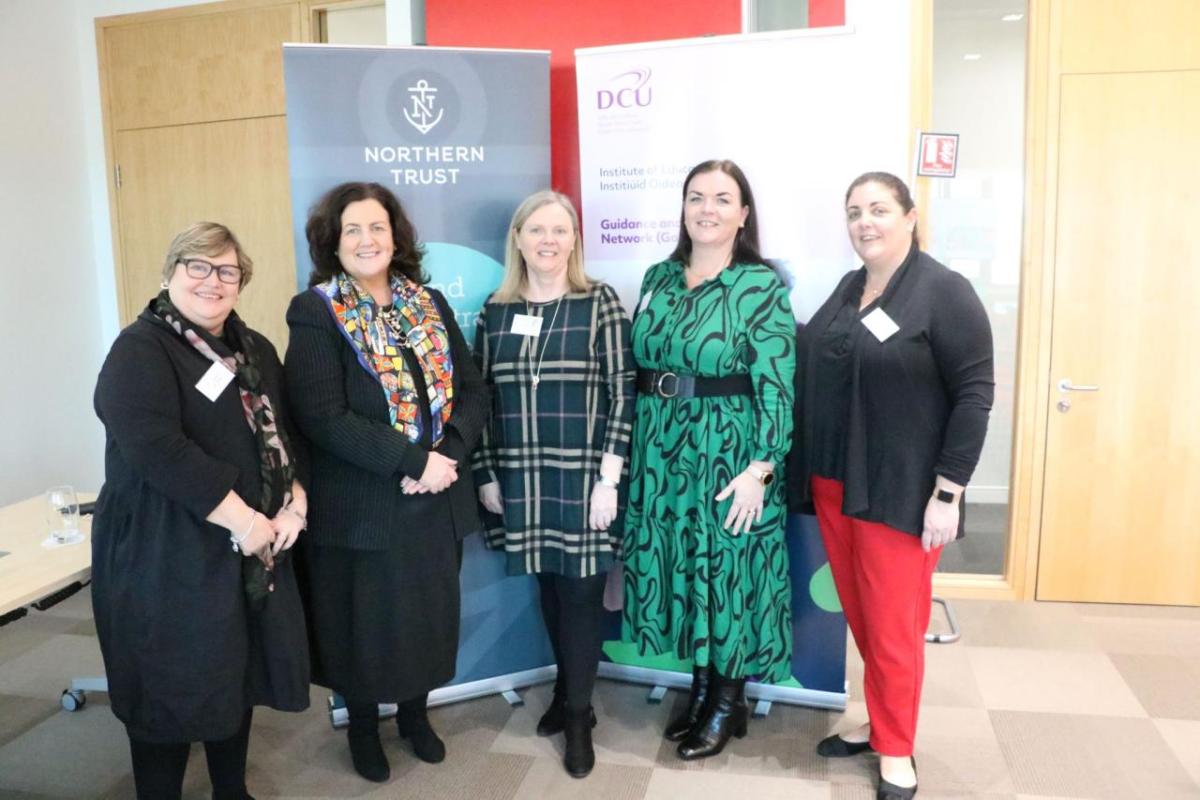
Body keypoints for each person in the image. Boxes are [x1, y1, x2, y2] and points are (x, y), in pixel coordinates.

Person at [786, 171, 993, 800]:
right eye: (854, 212)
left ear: (909, 216)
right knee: (865, 618)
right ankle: (878, 721)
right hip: (836, 485)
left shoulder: (944, 292)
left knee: (897, 626)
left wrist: (949, 491)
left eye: (878, 209)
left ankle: (897, 749)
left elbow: (975, 396)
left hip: (901, 491)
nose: (864, 223)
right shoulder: (852, 287)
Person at [92, 222, 310, 800]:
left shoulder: (255, 348)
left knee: (231, 674)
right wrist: (244, 520)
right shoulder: (140, 349)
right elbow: (157, 450)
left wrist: (295, 507)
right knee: (165, 686)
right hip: (162, 552)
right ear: (170, 273)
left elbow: (285, 439)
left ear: (241, 283)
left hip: (245, 548)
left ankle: (230, 791)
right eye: (198, 266)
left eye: (228, 271)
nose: (213, 281)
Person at [285, 181, 489, 783]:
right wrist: (410, 461)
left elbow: (473, 389)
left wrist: (445, 455)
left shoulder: (426, 303)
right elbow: (320, 414)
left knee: (426, 617)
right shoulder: (317, 309)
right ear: (333, 241)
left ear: (395, 235)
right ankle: (365, 728)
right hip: (367, 501)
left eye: (377, 227)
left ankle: (416, 717)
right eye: (352, 229)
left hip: (436, 494)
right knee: (365, 625)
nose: (367, 239)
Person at [623, 159, 796, 760]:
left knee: (727, 574)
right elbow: (639, 361)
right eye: (697, 197)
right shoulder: (658, 276)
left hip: (728, 452)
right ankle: (702, 690)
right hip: (662, 450)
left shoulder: (760, 286)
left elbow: (777, 384)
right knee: (686, 568)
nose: (708, 208)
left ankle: (728, 701)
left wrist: (761, 467)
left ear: (743, 214)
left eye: (723, 199)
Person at [473, 190, 634, 778]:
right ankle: (571, 689)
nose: (549, 240)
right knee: (548, 586)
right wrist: (486, 473)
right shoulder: (496, 311)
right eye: (536, 230)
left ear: (574, 240)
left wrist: (609, 480)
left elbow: (624, 394)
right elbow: (482, 402)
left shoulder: (600, 303)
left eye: (560, 230)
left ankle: (577, 715)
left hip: (586, 478)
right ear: (518, 239)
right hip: (523, 476)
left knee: (582, 593)